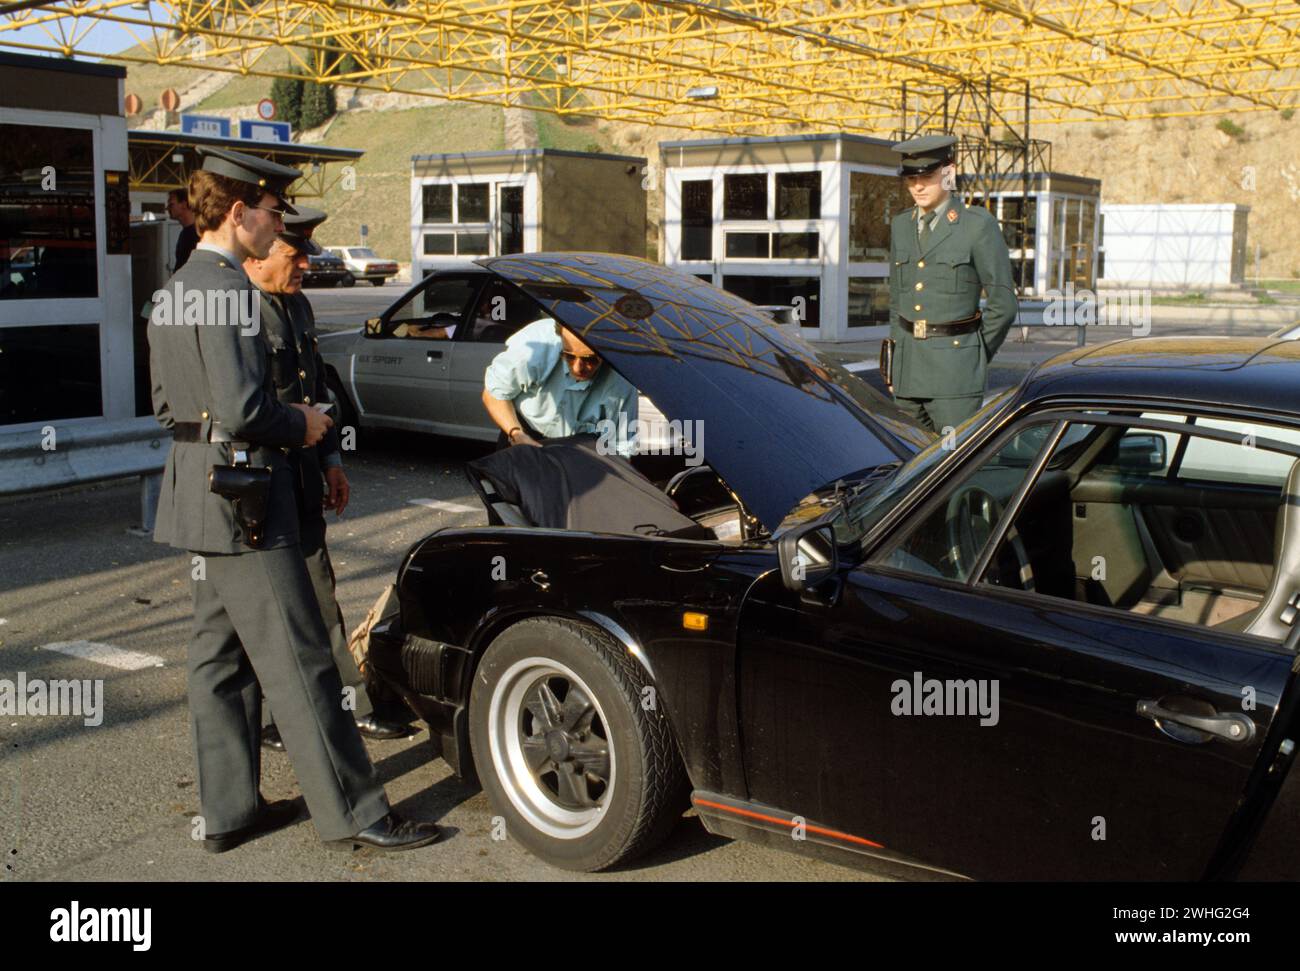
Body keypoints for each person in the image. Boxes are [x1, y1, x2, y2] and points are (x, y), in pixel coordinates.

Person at [149, 146, 442, 854]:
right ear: (241, 209)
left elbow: (165, 406)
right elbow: (247, 408)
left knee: (219, 661)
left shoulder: (174, 288)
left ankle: (229, 809)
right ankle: (358, 811)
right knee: (303, 657)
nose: (278, 225)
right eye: (275, 212)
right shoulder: (227, 289)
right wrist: (304, 424)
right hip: (248, 498)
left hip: (202, 493)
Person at [243, 205, 413, 752]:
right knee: (263, 608)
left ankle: (352, 705)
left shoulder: (297, 306)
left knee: (319, 592)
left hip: (303, 475)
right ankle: (274, 717)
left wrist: (334, 463)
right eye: (294, 256)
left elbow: (317, 393)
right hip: (257, 484)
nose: (303, 268)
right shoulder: (236, 311)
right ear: (261, 251)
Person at [886, 134, 1017, 433]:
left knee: (952, 467)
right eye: (910, 178)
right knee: (908, 463)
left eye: (927, 177)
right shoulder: (901, 225)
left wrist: (973, 356)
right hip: (907, 372)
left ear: (949, 173)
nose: (917, 186)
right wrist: (894, 358)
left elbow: (1004, 305)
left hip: (955, 374)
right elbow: (898, 299)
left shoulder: (976, 225)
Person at [481, 319, 638, 455]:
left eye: (590, 359)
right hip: (522, 431)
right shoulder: (533, 350)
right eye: (569, 356)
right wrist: (516, 433)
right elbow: (494, 394)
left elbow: (622, 443)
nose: (578, 368)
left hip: (579, 448)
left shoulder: (621, 379)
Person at [167, 188, 199, 271]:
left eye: (171, 204)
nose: (167, 208)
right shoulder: (186, 233)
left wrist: (177, 284)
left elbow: (182, 268)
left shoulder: (194, 234)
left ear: (184, 205)